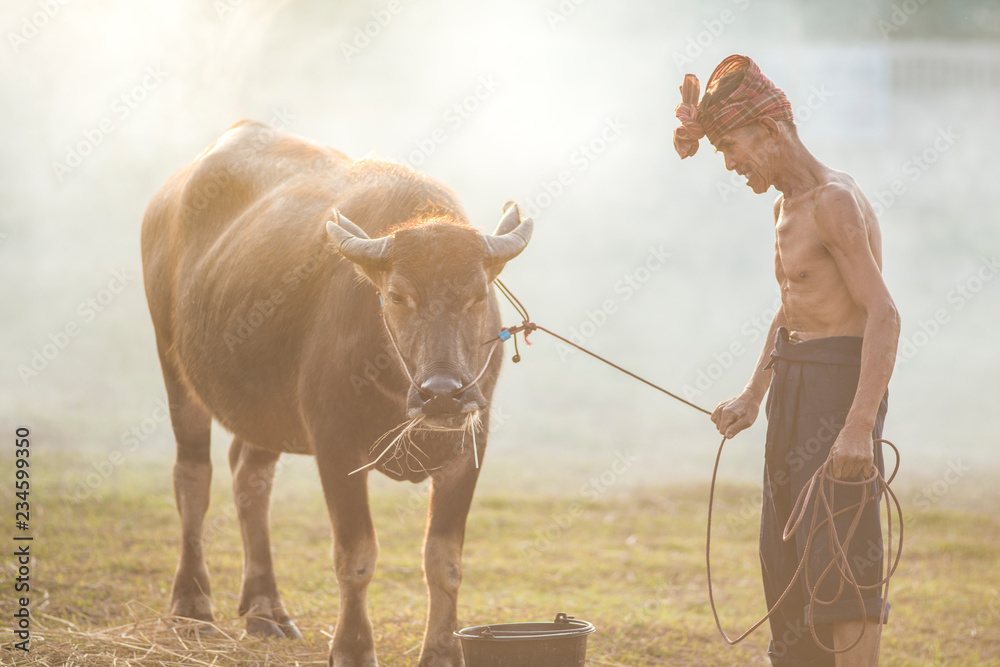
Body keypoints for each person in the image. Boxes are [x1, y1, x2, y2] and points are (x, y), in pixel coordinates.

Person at [673, 55, 901, 667]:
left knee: (840, 559)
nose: (729, 163)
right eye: (718, 149)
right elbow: (791, 309)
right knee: (787, 553)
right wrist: (754, 394)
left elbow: (884, 314)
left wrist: (857, 427)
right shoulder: (785, 206)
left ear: (771, 130)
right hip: (793, 389)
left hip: (837, 389)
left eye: (732, 145)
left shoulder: (833, 202)